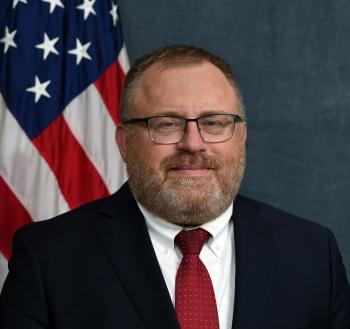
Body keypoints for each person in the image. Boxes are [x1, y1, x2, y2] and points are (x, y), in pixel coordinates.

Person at [0, 45, 349, 329]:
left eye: (214, 122)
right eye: (167, 124)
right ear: (124, 143)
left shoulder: (312, 254)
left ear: (241, 136)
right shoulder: (48, 258)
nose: (193, 143)